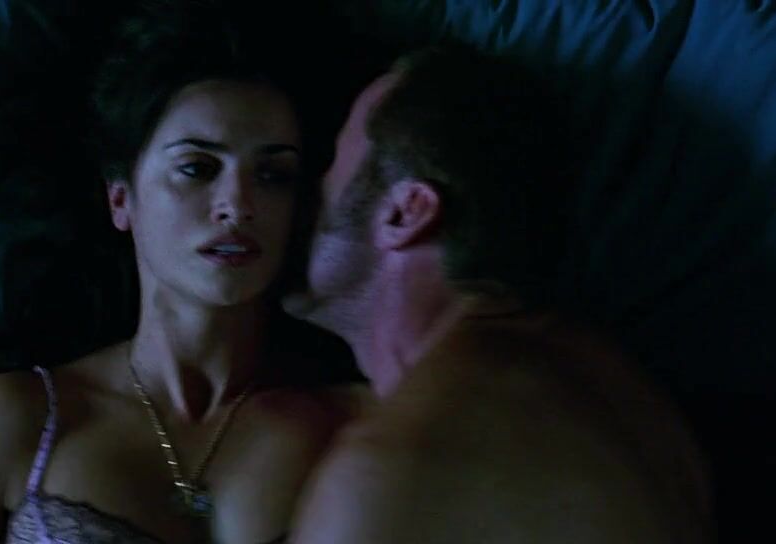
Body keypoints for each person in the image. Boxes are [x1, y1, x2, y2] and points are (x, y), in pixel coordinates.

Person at [0, 2, 361, 543]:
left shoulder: (344, 423)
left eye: (273, 174)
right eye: (197, 168)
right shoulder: (25, 417)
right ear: (121, 199)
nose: (238, 205)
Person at [281, 46, 714, 543]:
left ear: (405, 213)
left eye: (332, 164)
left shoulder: (387, 472)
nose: (303, 192)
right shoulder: (627, 399)